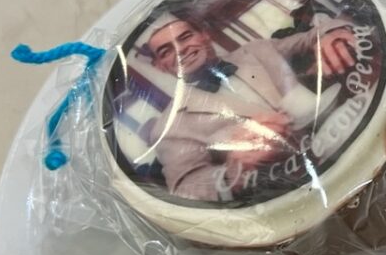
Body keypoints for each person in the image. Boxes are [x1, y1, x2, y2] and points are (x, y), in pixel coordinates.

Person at [138, 12, 358, 202]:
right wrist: (233, 169)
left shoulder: (258, 50)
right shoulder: (169, 128)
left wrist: (331, 36)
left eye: (185, 37)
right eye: (166, 51)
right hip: (293, 194)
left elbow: (312, 36)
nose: (180, 50)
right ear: (160, 66)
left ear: (204, 35)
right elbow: (185, 190)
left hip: (351, 142)